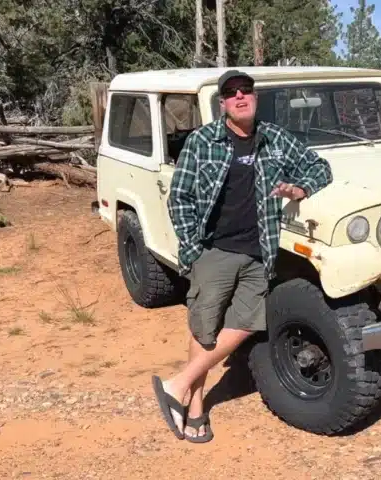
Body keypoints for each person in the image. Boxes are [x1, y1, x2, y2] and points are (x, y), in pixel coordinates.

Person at [151, 70, 333, 442]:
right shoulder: (202, 140)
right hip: (214, 250)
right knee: (205, 328)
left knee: (249, 322)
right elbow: (180, 198)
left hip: (259, 252)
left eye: (245, 91)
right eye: (231, 93)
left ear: (255, 97)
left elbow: (320, 167)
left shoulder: (276, 138)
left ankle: (177, 385)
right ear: (222, 104)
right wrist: (192, 250)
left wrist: (300, 188)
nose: (239, 97)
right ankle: (196, 408)